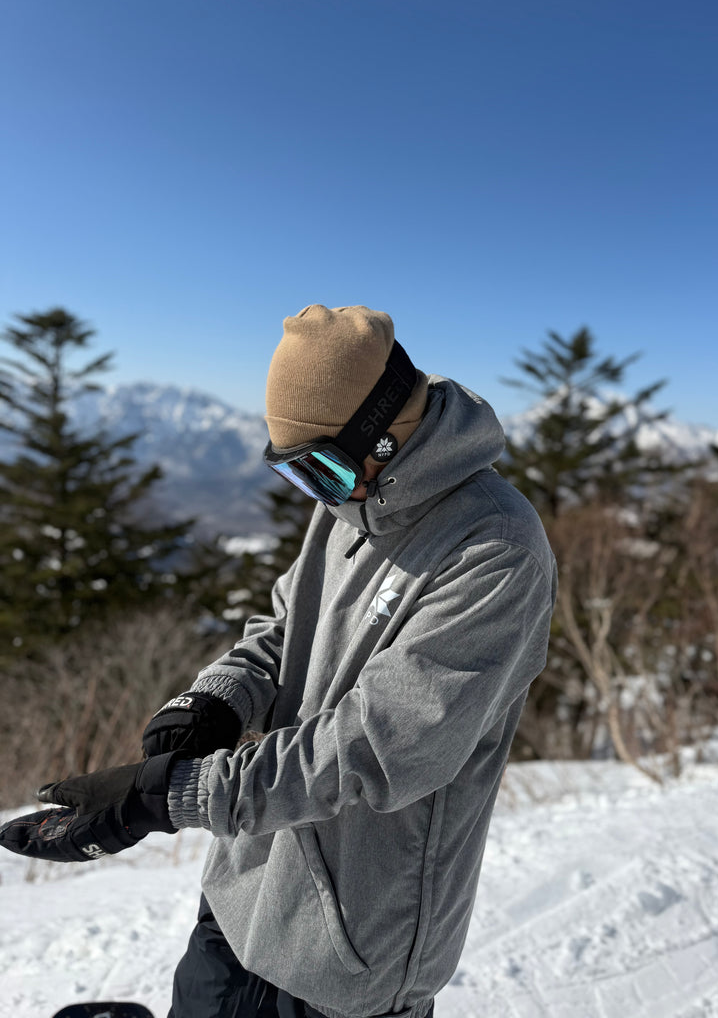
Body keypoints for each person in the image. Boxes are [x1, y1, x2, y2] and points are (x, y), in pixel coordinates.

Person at [0, 305, 557, 1018]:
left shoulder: (495, 549)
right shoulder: (353, 496)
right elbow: (287, 621)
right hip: (247, 885)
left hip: (353, 943)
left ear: (386, 437)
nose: (317, 497)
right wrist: (216, 699)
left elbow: (380, 746)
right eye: (296, 474)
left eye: (319, 470)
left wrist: (166, 795)